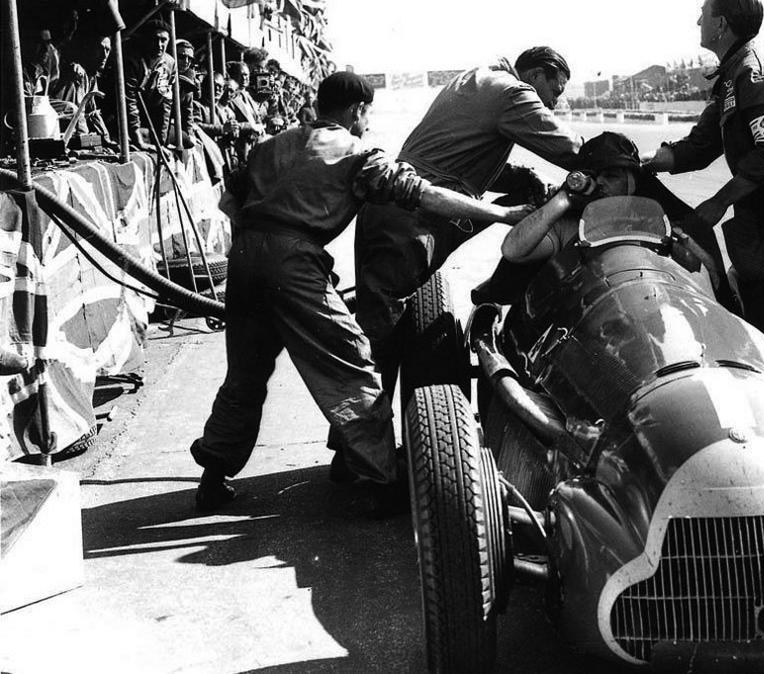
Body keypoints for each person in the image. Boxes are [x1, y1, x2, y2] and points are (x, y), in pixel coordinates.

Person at [189, 72, 532, 516]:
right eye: (367, 115)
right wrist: (502, 213)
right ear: (356, 111)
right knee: (354, 366)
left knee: (244, 376)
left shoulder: (271, 144)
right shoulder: (357, 153)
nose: (367, 124)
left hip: (246, 256)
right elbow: (428, 197)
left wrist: (260, 248)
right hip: (294, 261)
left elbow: (229, 202)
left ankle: (213, 478)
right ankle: (378, 481)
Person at [351, 46, 583, 401]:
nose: (553, 104)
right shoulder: (514, 93)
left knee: (380, 331)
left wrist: (522, 178)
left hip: (389, 208)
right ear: (537, 75)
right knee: (379, 341)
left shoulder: (475, 78)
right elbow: (572, 151)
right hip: (414, 219)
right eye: (555, 92)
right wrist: (618, 161)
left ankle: (362, 448)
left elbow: (457, 161)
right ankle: (360, 452)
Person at [642, 0, 764, 415]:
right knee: (762, 315)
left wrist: (716, 203)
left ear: (722, 24)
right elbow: (702, 144)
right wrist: (659, 160)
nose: (697, 19)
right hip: (759, 207)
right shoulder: (732, 75)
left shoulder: (755, 73)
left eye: (704, 13)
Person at [498, 132, 718, 287]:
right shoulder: (570, 225)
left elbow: (705, 277)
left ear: (634, 180)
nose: (602, 184)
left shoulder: (660, 221)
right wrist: (561, 200)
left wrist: (683, 244)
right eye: (595, 177)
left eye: (612, 177)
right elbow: (513, 251)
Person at [123, 19, 176, 149]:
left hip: (150, 118)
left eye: (163, 40)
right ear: (146, 40)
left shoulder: (169, 64)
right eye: (155, 39)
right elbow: (130, 101)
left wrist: (161, 143)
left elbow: (166, 104)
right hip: (124, 118)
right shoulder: (133, 60)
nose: (159, 44)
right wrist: (138, 139)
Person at [49, 35, 112, 143]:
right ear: (89, 49)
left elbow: (92, 112)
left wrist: (106, 138)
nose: (104, 55)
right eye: (99, 49)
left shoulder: (92, 77)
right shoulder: (73, 71)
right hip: (60, 133)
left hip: (76, 132)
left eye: (107, 50)